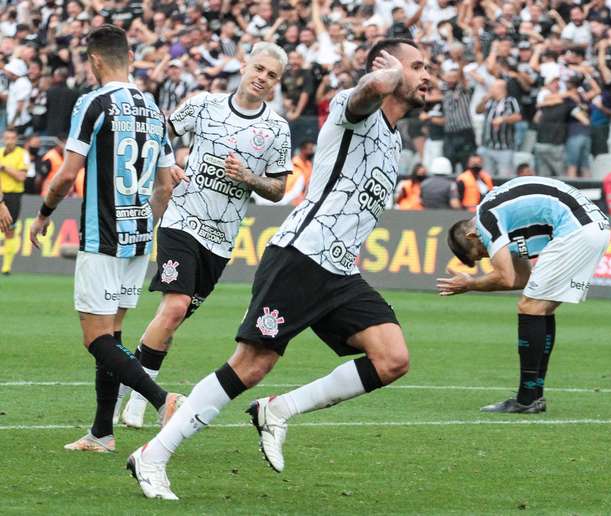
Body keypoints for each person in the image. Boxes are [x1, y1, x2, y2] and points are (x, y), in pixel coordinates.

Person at [127, 38, 431, 501]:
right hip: (301, 256)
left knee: (392, 359)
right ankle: (153, 455)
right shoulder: (358, 110)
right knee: (251, 365)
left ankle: (278, 410)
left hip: (340, 270)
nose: (428, 76)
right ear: (387, 70)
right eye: (418, 67)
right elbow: (368, 91)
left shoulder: (394, 138)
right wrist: (385, 75)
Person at [114, 42, 293, 428]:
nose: (262, 78)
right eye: (258, 68)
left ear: (278, 82)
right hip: (182, 219)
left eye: (272, 75)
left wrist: (248, 177)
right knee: (174, 306)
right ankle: (143, 401)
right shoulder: (204, 105)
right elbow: (159, 137)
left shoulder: (276, 130)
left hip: (221, 238)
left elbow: (278, 189)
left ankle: (127, 385)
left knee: (174, 317)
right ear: (244, 66)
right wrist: (170, 166)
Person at [28, 25, 187, 454]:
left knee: (95, 337)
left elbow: (66, 172)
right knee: (113, 334)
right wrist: (144, 221)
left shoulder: (94, 103)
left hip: (103, 233)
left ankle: (163, 400)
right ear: (129, 57)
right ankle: (102, 432)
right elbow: (166, 185)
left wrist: (43, 214)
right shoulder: (154, 108)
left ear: (94, 60)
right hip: (137, 236)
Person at [438, 176, 610, 413]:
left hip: (577, 229)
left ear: (472, 236)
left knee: (530, 307)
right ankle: (534, 396)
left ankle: (526, 398)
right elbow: (521, 279)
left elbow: (506, 276)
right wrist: (474, 283)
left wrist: (470, 284)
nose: (489, 256)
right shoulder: (508, 225)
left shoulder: (486, 219)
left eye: (481, 253)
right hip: (592, 225)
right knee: (541, 307)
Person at [0, 128, 29, 275]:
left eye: (12, 138)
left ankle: (6, 267)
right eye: (7, 138)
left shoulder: (23, 154)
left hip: (13, 196)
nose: (9, 141)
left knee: (9, 230)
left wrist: (4, 167)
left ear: (16, 139)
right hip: (0, 194)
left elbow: (21, 177)